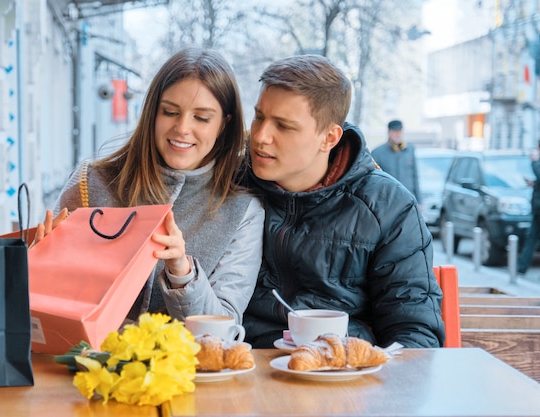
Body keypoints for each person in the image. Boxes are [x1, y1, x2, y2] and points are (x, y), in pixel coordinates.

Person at [34, 47, 264, 325]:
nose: (182, 128)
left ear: (224, 124)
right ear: (152, 112)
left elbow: (222, 329)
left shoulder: (243, 211)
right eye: (169, 112)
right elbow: (49, 310)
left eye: (201, 118)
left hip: (184, 368)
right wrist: (41, 264)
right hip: (87, 364)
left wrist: (182, 272)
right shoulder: (91, 182)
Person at [243, 55, 445, 349]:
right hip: (246, 367)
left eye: (284, 126)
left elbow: (415, 334)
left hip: (343, 375)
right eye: (259, 116)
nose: (260, 136)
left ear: (329, 138)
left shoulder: (389, 207)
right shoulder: (230, 187)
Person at [371, 120, 421, 203]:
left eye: (400, 131)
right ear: (389, 132)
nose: (398, 134)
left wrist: (419, 201)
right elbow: (373, 180)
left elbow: (415, 176)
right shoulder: (377, 153)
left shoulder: (410, 149)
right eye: (395, 131)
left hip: (408, 198)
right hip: (388, 200)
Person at [517, 143, 540, 276]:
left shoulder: (537, 163)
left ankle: (521, 267)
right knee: (531, 237)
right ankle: (521, 267)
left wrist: (535, 162)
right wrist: (535, 183)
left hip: (538, 207)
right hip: (537, 208)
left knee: (531, 238)